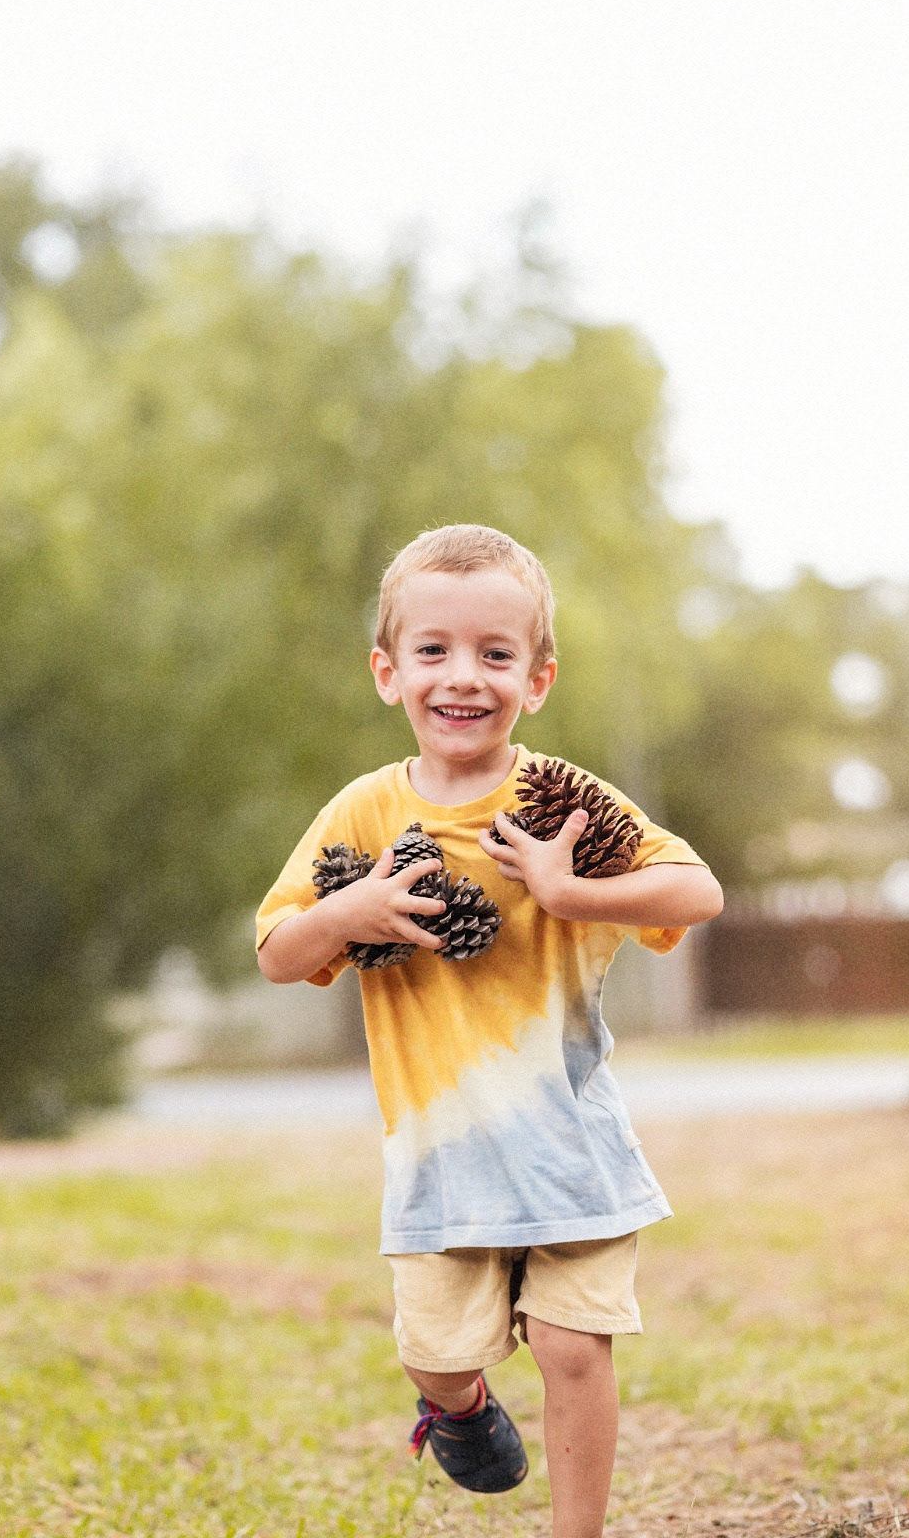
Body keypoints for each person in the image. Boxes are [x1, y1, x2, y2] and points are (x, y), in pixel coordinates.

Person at [256, 524, 723, 1538]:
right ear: (387, 672)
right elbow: (279, 952)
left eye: (494, 653)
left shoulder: (566, 808)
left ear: (537, 676)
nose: (461, 677)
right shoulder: (365, 813)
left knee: (570, 1345)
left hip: (568, 1143)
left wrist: (565, 888)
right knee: (435, 1349)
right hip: (439, 1155)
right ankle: (456, 1408)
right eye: (432, 650)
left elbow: (698, 890)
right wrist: (350, 914)